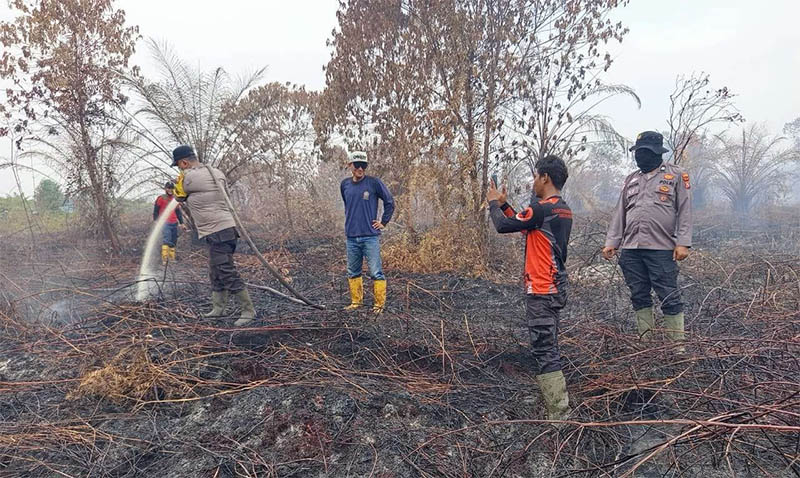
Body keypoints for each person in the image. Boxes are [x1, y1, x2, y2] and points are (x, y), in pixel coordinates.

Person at [487, 155, 573, 420]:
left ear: (545, 177)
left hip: (542, 289)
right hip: (555, 286)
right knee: (550, 344)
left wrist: (492, 204)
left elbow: (503, 226)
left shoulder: (542, 209)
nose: (533, 182)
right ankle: (555, 403)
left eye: (536, 176)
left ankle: (559, 415)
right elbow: (524, 224)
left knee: (544, 348)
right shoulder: (562, 208)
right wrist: (506, 205)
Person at [602, 131, 692, 351]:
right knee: (639, 295)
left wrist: (683, 242)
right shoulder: (631, 179)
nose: (641, 156)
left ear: (658, 153)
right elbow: (620, 212)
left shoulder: (676, 176)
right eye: (638, 152)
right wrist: (612, 241)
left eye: (646, 152)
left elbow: (685, 210)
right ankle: (646, 344)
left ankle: (677, 347)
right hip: (631, 248)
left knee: (669, 294)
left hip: (661, 247)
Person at [171, 145, 256, 326]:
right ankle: (218, 308)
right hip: (223, 230)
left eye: (179, 165)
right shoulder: (214, 172)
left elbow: (179, 197)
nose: (180, 169)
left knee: (225, 269)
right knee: (216, 270)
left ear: (184, 162)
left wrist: (178, 183)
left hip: (218, 231)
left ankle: (248, 310)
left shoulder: (190, 177)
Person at [340, 151, 395, 314]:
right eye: (356, 165)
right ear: (350, 165)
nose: (360, 168)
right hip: (351, 237)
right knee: (353, 271)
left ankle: (379, 305)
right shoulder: (345, 185)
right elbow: (348, 205)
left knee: (376, 272)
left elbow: (389, 202)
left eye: (363, 165)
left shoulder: (374, 183)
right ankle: (356, 303)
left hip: (370, 236)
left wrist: (383, 222)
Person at [152, 181, 186, 265]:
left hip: (174, 222)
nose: (170, 190)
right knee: (167, 240)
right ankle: (164, 260)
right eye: (168, 188)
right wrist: (156, 221)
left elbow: (178, 212)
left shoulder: (175, 199)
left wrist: (182, 223)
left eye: (172, 188)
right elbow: (156, 211)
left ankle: (172, 259)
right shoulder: (161, 198)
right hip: (164, 222)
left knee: (173, 240)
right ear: (165, 189)